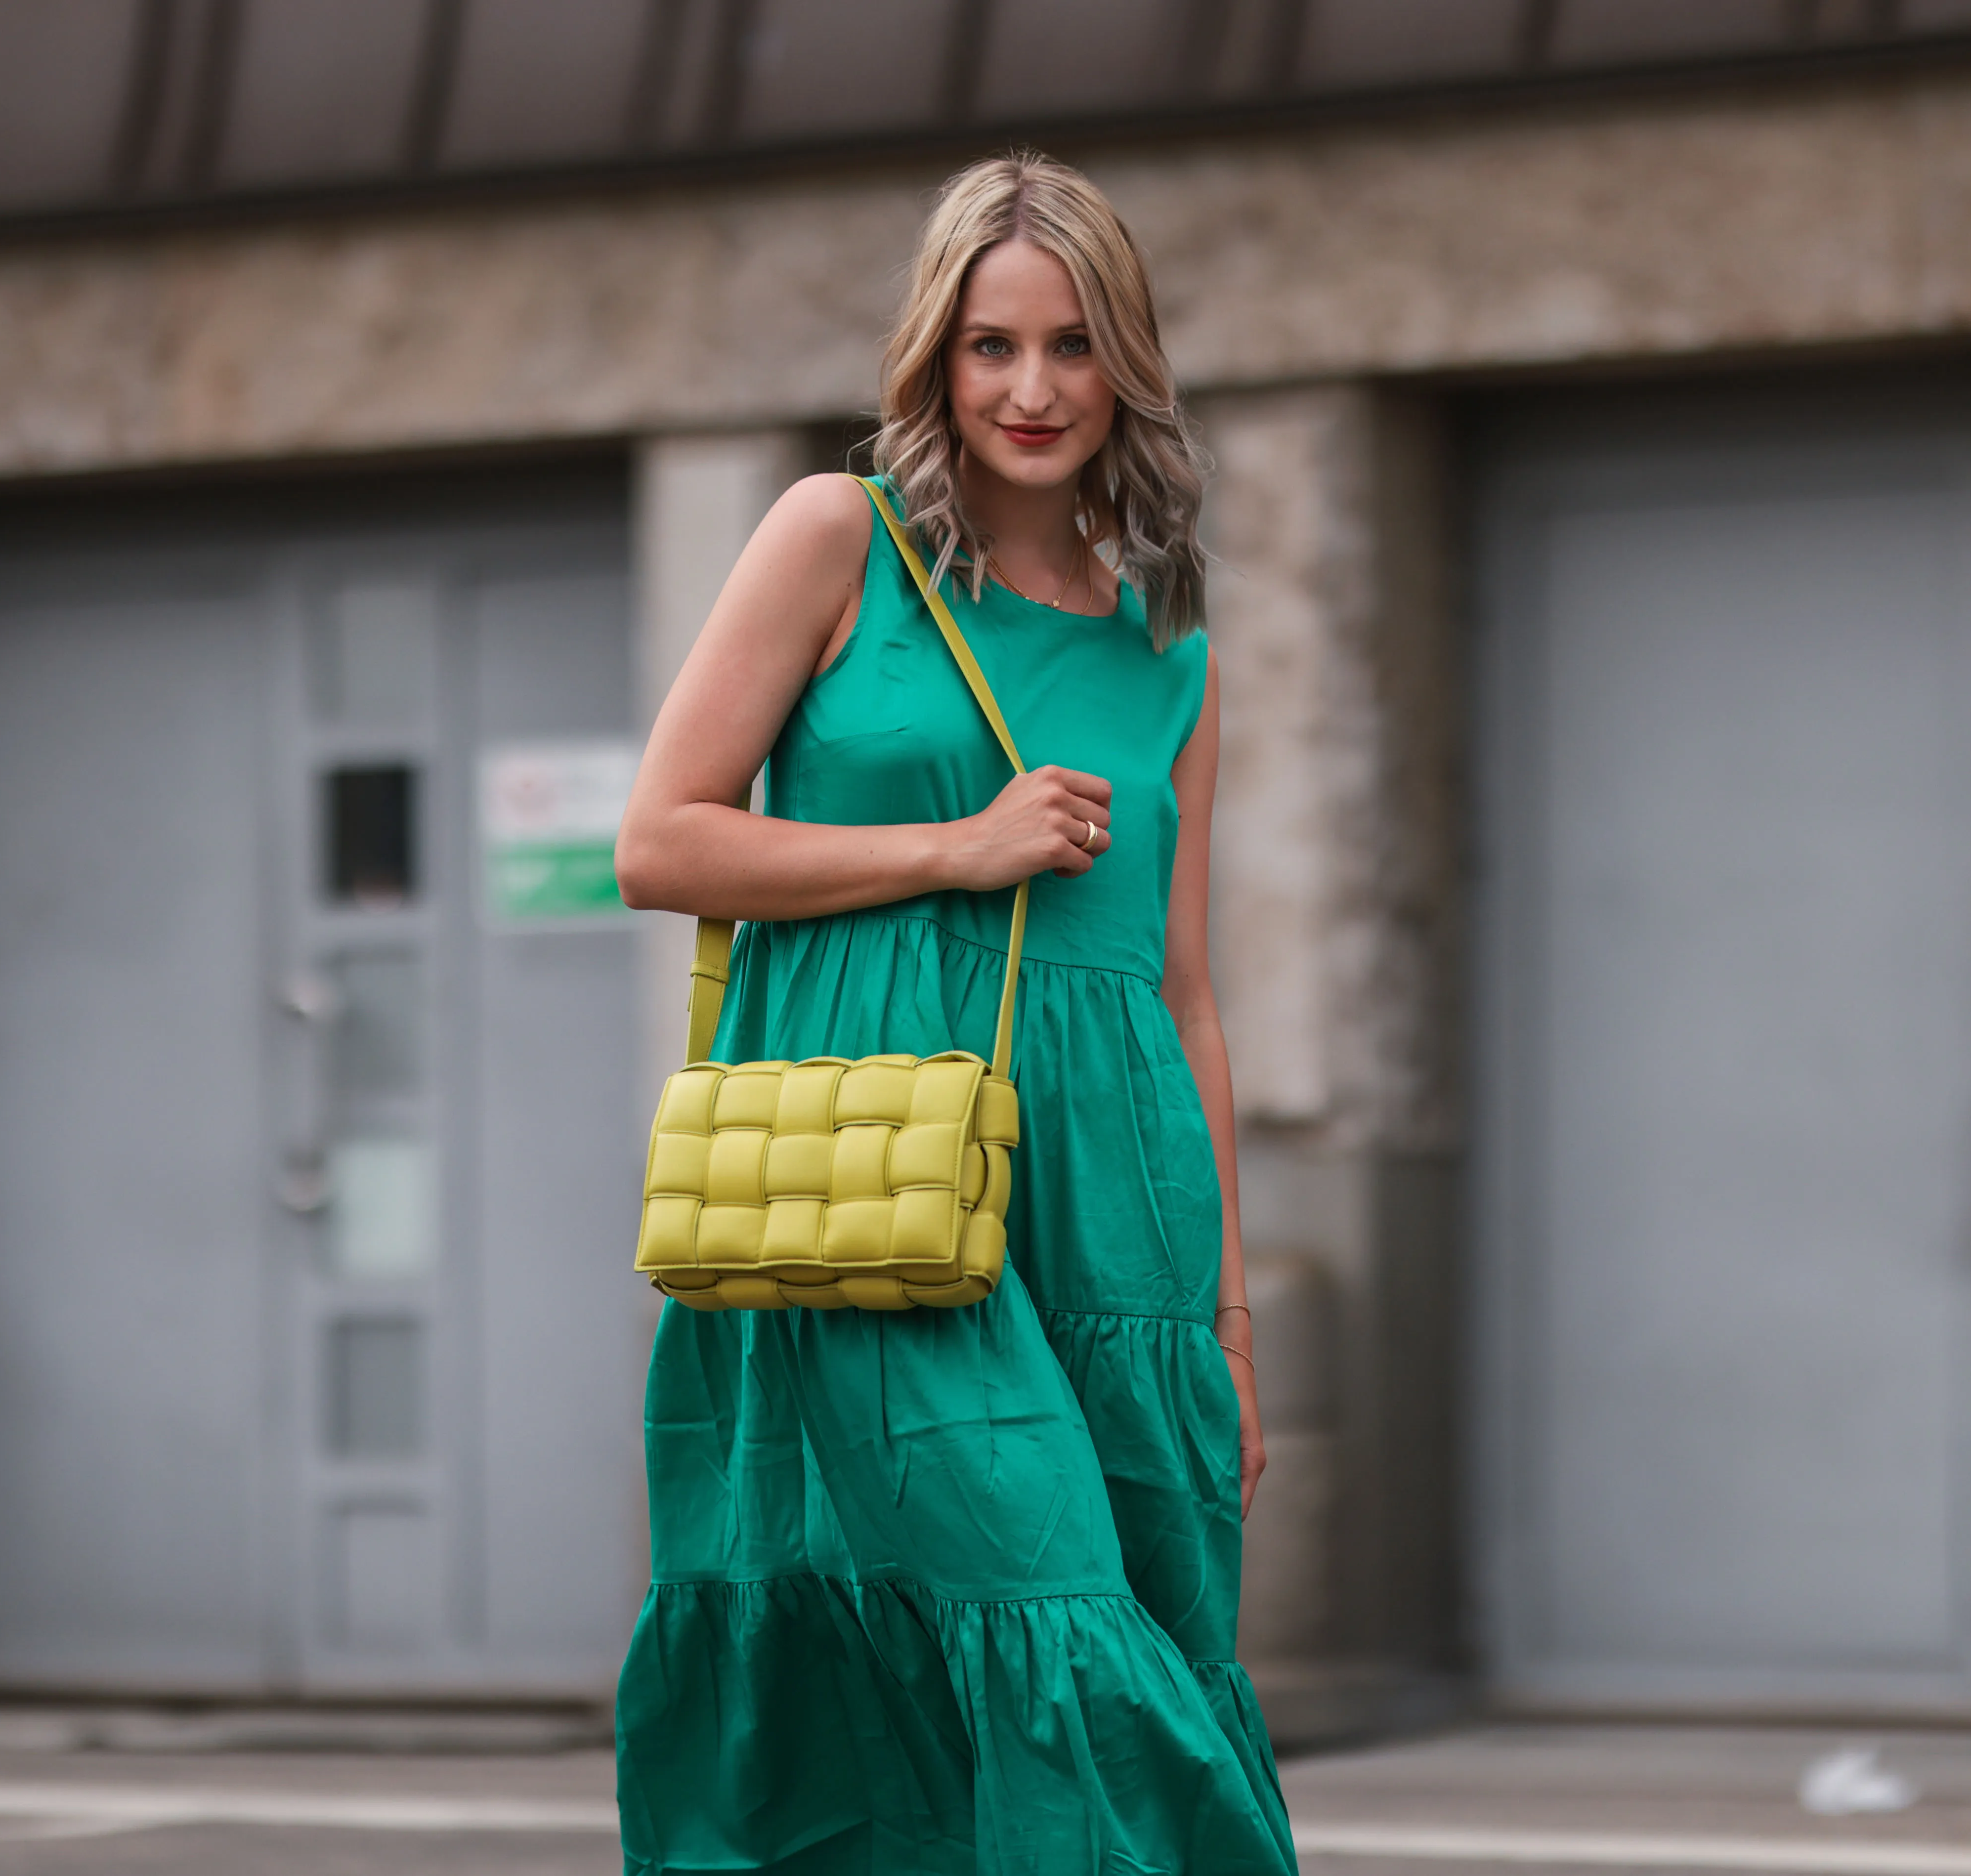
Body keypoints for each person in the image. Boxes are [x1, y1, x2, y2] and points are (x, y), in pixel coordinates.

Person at [609, 153, 1295, 1875]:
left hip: (1114, 1205)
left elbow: (1185, 992)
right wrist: (954, 848)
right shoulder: (836, 539)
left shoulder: (1171, 646)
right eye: (994, 346)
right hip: (886, 1178)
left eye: (1074, 345)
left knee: (1127, 1616)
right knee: (1038, 1605)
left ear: (1128, 363)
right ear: (937, 355)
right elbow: (660, 840)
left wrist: (1227, 1321)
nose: (1033, 389)